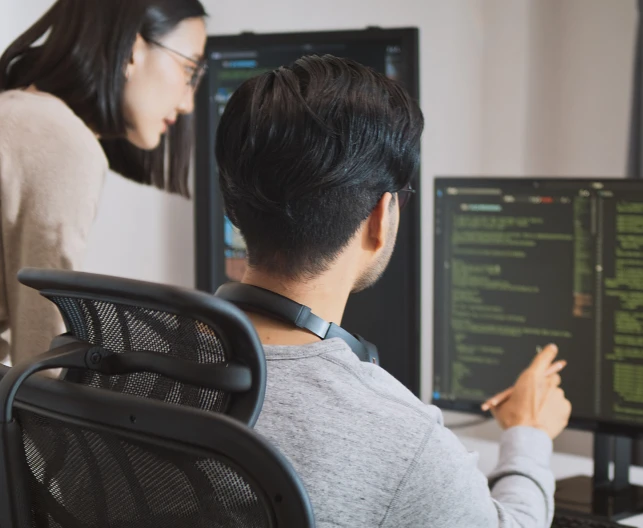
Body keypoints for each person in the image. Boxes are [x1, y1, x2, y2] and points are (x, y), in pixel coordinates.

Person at [215, 54, 573, 527]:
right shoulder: (402, 439)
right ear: (382, 217)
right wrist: (528, 435)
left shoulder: (135, 362)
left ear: (234, 207)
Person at [0, 0, 208, 365]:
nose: (188, 103)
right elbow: (41, 357)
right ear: (131, 50)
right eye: (189, 69)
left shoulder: (19, 113)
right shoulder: (59, 139)